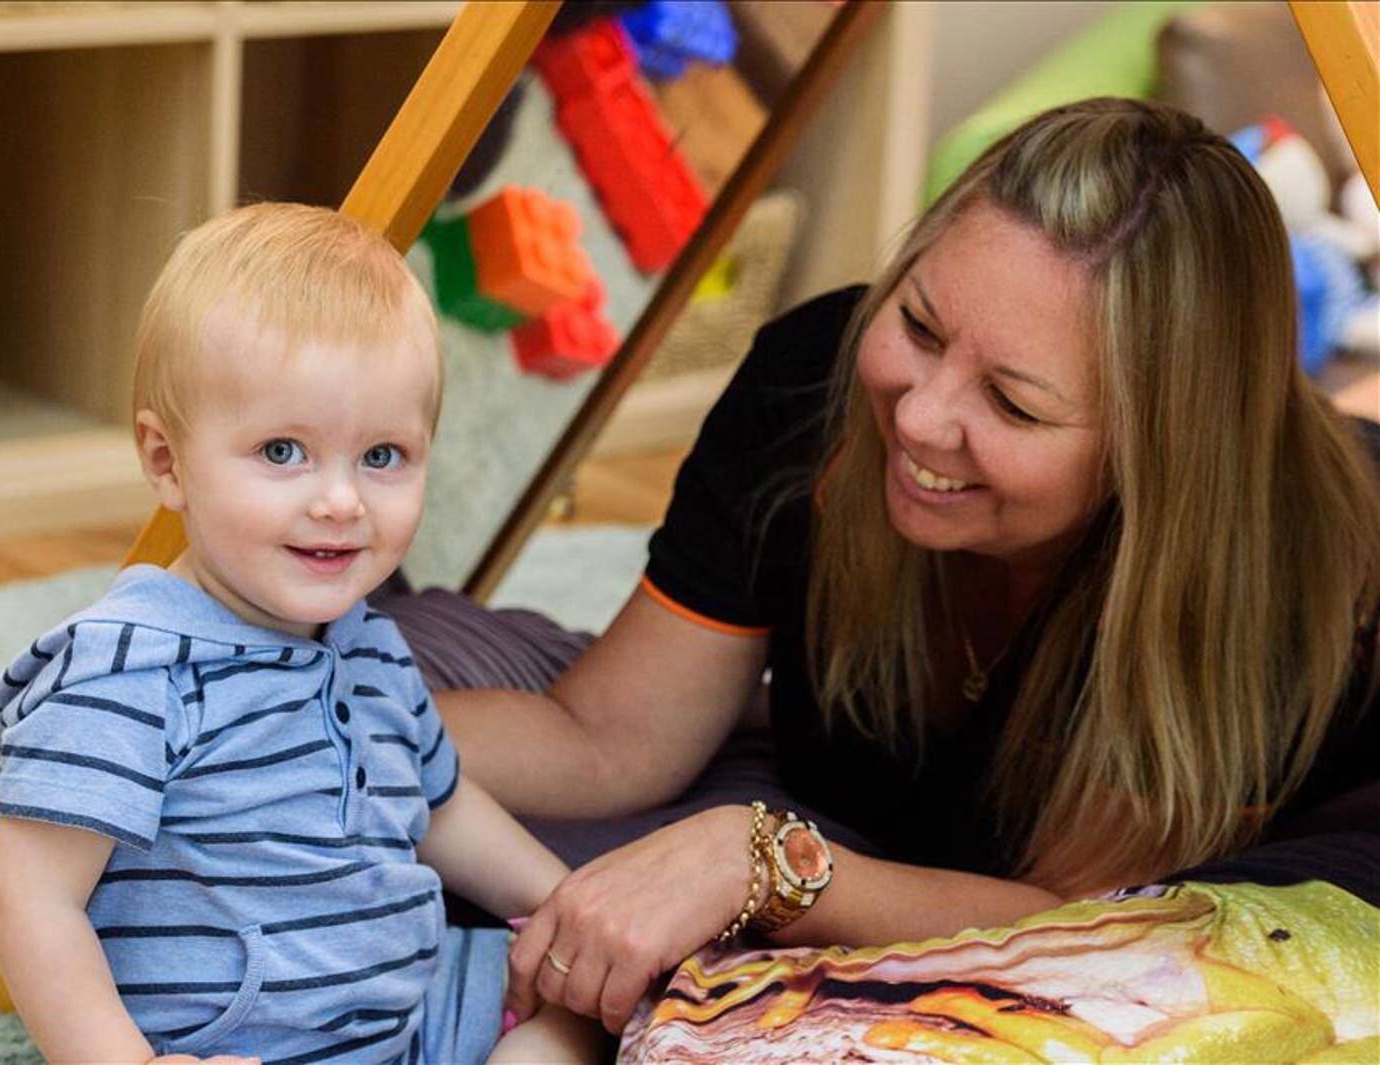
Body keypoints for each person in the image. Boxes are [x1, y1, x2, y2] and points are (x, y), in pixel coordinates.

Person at [431, 98, 1380, 1036]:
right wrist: (334, 715)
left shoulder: (1263, 569)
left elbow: (1075, 924)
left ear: (1154, 453)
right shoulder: (816, 382)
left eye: (1013, 404)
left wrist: (762, 862)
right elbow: (611, 734)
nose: (920, 417)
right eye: (920, 327)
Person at [0, 204, 601, 1064]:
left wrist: (572, 903)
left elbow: (444, 808)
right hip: (239, 1047)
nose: (340, 501)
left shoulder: (373, 645)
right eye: (282, 451)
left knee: (584, 1007)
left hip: (414, 1014)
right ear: (166, 462)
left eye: (381, 456)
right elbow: (28, 899)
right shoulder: (129, 665)